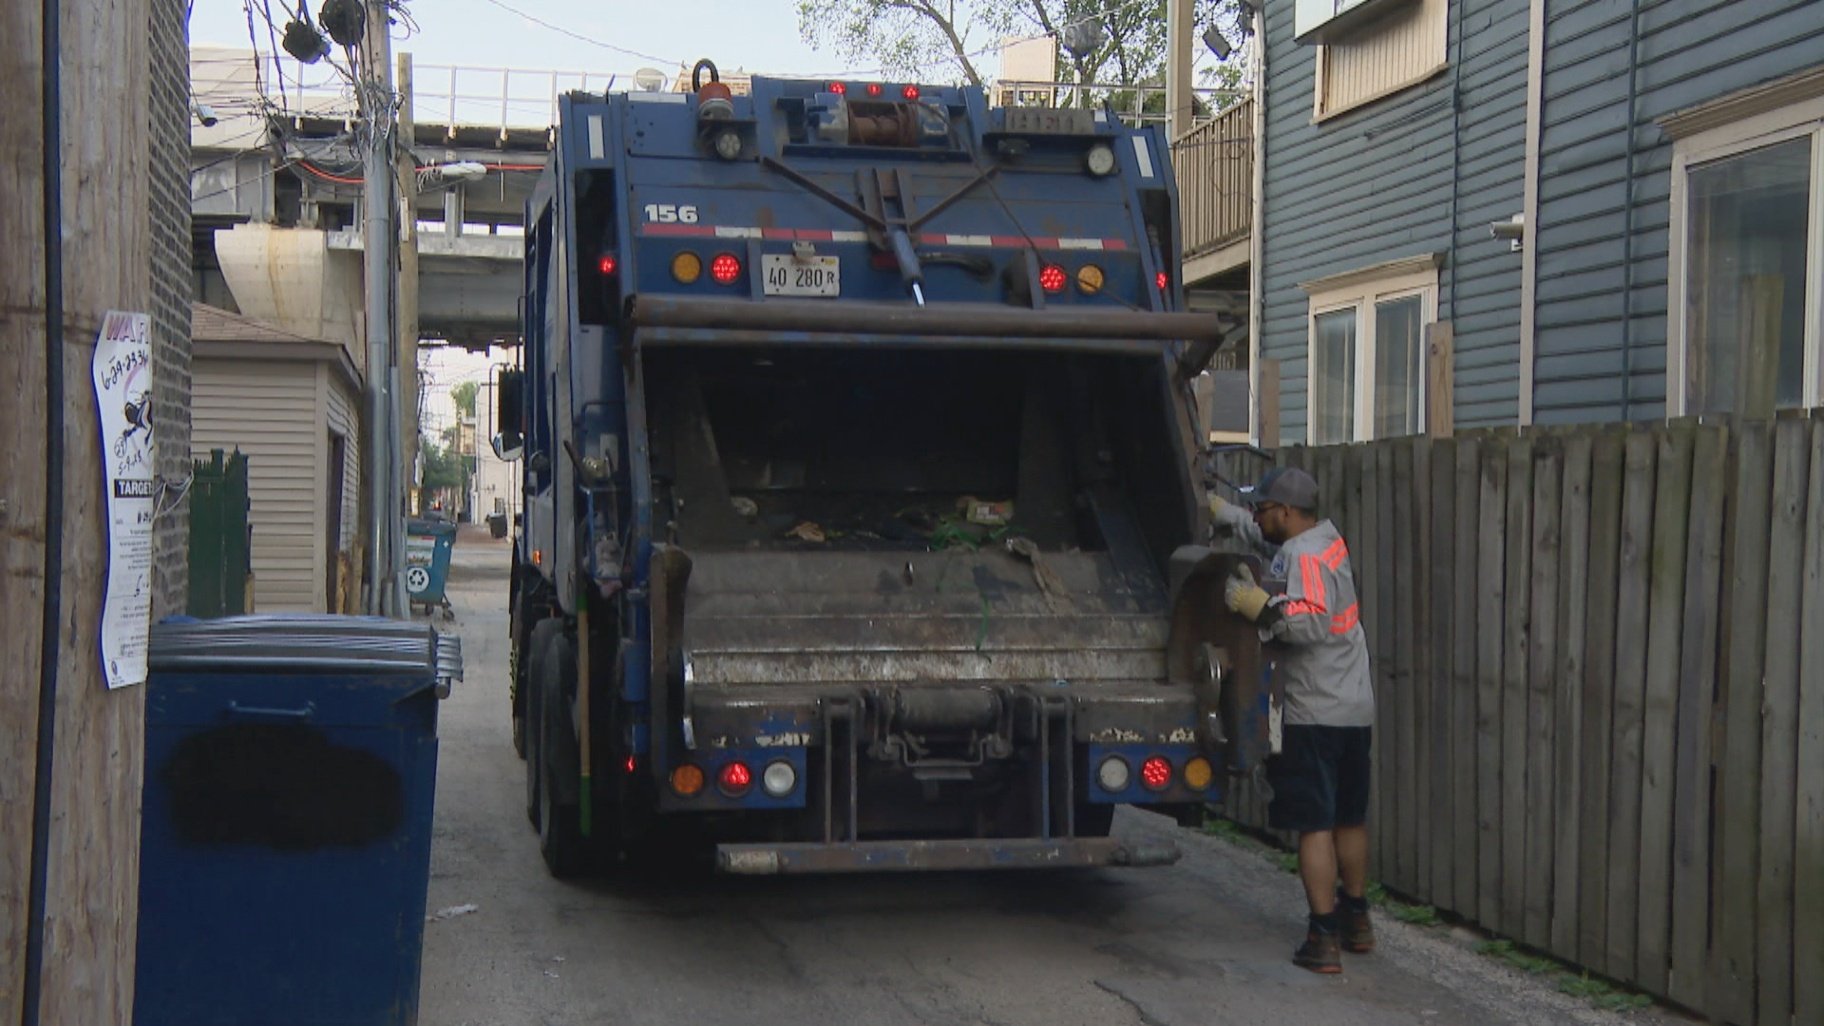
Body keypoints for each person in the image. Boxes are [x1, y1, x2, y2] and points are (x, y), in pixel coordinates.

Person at [1209, 466, 1375, 974]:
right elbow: (1267, 542)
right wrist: (1227, 515)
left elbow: (1308, 624)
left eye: (1262, 509)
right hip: (1352, 706)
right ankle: (1356, 921)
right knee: (1349, 817)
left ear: (1285, 511)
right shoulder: (1326, 541)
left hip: (1312, 710)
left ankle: (1321, 938)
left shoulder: (1300, 556)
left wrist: (1257, 607)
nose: (1258, 518)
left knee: (1313, 825)